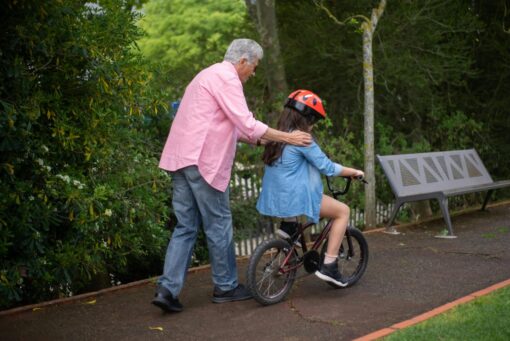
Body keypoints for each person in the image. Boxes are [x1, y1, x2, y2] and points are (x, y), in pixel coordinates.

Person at [152, 39, 313, 313]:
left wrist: (265, 142)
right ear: (242, 62)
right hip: (202, 162)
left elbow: (233, 127)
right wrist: (289, 138)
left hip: (180, 159)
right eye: (254, 67)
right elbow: (247, 122)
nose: (253, 73)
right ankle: (226, 287)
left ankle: (167, 289)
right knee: (219, 225)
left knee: (186, 227)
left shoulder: (205, 75)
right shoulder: (227, 79)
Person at [256, 89, 364, 287]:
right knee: (342, 212)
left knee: (299, 191)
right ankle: (330, 266)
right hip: (296, 198)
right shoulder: (303, 139)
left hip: (275, 198)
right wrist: (353, 172)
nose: (313, 126)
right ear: (307, 118)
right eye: (313, 120)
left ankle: (289, 229)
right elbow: (327, 168)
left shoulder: (277, 137)